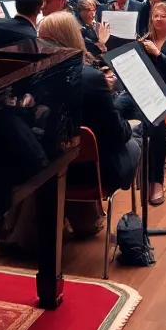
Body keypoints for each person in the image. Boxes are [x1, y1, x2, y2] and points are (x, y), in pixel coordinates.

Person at [37, 13, 138, 235]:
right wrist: (129, 127)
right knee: (134, 138)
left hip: (48, 166)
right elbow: (117, 133)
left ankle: (81, 217)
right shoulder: (90, 78)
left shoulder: (36, 76)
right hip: (92, 175)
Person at [114, 0, 166, 207]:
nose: (158, 19)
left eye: (163, 16)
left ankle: (156, 180)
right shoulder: (146, 39)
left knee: (157, 123)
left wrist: (158, 54)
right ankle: (127, 159)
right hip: (142, 87)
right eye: (155, 16)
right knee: (117, 107)